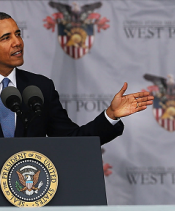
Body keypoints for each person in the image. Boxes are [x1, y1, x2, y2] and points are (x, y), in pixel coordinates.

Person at [0, 12, 153, 143]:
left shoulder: (39, 87)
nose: (17, 42)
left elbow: (71, 139)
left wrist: (111, 115)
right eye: (6, 38)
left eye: (18, 34)